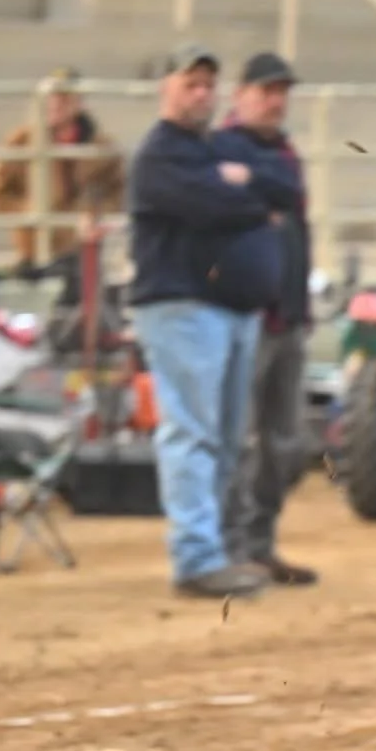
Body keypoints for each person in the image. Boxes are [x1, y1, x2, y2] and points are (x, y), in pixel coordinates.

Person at [126, 44, 286, 599]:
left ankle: (211, 550)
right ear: (165, 89)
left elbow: (280, 183)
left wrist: (239, 182)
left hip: (223, 308)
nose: (201, 94)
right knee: (193, 432)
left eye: (207, 85)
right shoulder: (160, 154)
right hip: (180, 305)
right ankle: (196, 555)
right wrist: (240, 191)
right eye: (189, 83)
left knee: (218, 437)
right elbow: (214, 205)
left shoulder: (212, 147)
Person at [214, 51, 318, 588]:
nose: (275, 101)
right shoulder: (221, 147)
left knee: (284, 441)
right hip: (244, 317)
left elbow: (292, 224)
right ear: (241, 94)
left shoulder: (284, 153)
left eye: (281, 92)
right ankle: (233, 547)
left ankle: (260, 542)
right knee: (239, 439)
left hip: (287, 317)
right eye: (265, 91)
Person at [0, 67, 127, 277]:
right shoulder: (21, 142)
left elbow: (118, 192)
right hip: (33, 249)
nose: (57, 104)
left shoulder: (102, 147)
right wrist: (29, 212)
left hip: (83, 248)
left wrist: (94, 213)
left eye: (65, 97)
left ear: (80, 102)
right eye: (53, 97)